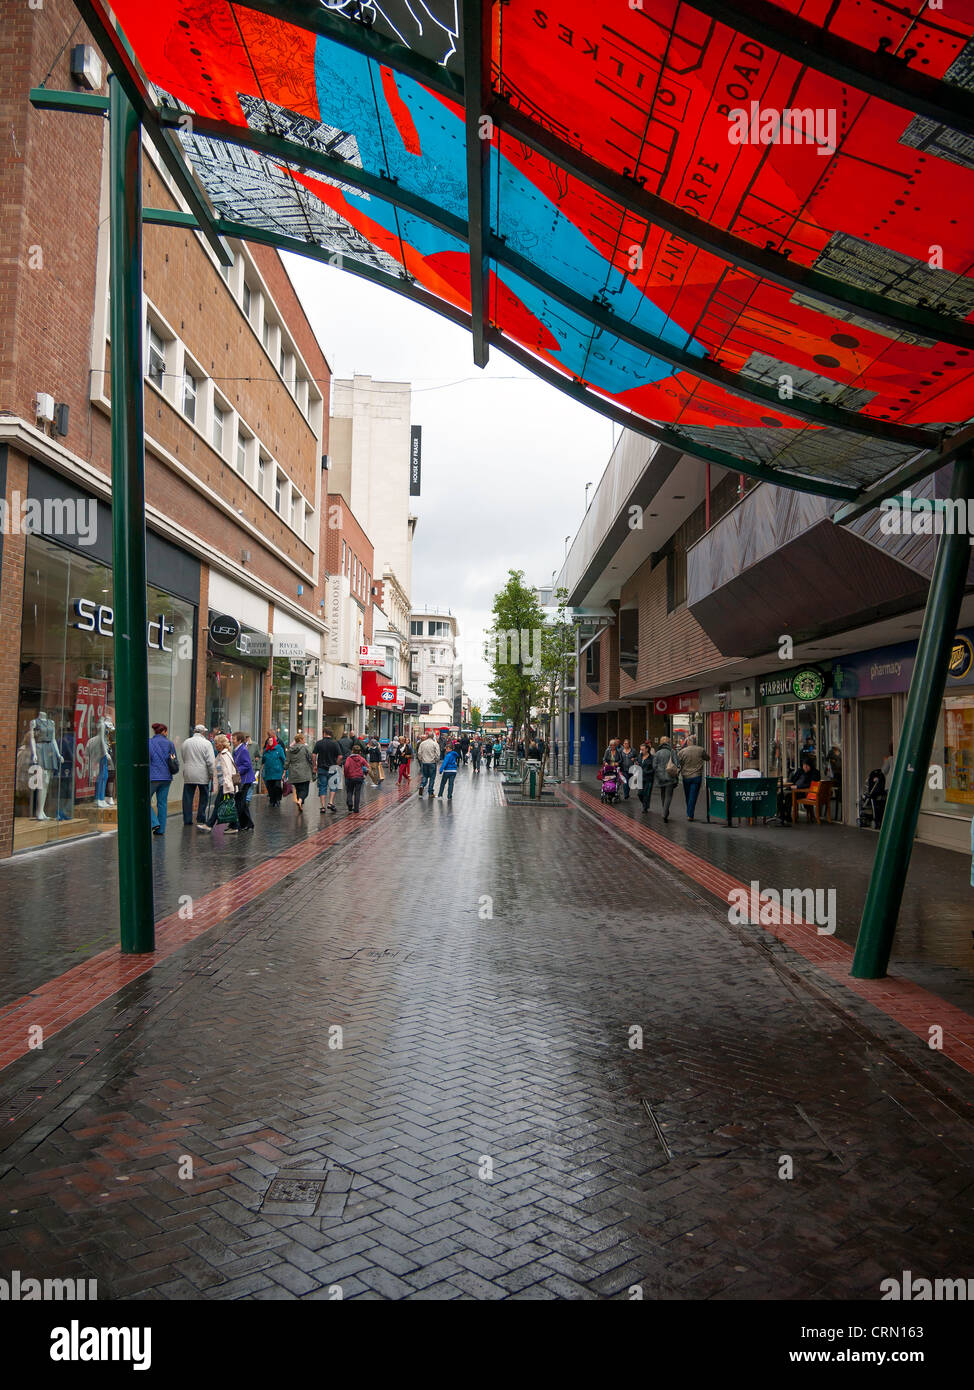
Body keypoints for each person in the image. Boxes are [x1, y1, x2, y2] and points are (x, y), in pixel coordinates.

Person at [181, 723, 215, 827]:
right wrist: (212, 774)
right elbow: (210, 761)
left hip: (188, 772)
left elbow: (183, 756)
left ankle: (187, 819)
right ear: (203, 732)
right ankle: (201, 818)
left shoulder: (186, 742)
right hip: (202, 774)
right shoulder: (207, 743)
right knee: (203, 796)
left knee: (187, 797)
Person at [148, 722, 177, 836]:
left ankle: (154, 822)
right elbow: (174, 759)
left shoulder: (149, 742)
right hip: (166, 777)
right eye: (166, 731)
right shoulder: (170, 744)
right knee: (162, 803)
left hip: (153, 777)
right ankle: (161, 830)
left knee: (145, 800)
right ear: (164, 731)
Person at [207, 734, 239, 831]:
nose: (215, 745)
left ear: (221, 744)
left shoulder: (225, 755)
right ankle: (234, 825)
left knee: (219, 804)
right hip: (223, 785)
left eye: (216, 743)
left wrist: (228, 787)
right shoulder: (220, 755)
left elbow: (227, 772)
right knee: (227, 805)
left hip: (225, 785)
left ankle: (209, 825)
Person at [677, 735, 710, 821]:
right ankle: (690, 813)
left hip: (686, 776)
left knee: (688, 795)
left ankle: (689, 813)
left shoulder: (682, 751)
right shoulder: (701, 750)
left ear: (688, 742)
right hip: (696, 776)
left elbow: (678, 762)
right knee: (693, 795)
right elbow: (707, 758)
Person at [312, 725, 343, 813]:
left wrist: (314, 765)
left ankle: (322, 806)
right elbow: (340, 756)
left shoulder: (319, 743)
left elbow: (314, 755)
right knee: (333, 786)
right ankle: (330, 802)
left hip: (321, 768)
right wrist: (336, 765)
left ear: (324, 733)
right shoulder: (335, 743)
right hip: (332, 768)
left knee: (322, 786)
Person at [231, 731, 256, 832]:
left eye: (233, 739)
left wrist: (236, 771)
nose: (232, 741)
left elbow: (247, 765)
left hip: (245, 780)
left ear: (239, 740)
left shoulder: (243, 750)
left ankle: (235, 824)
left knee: (240, 802)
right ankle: (248, 824)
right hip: (242, 779)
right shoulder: (237, 749)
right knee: (242, 803)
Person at [652, 736, 679, 823]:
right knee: (669, 796)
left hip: (660, 778)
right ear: (668, 742)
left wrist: (658, 772)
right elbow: (677, 764)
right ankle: (665, 813)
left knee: (663, 795)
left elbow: (654, 766)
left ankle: (665, 811)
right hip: (670, 777)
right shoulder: (672, 752)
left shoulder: (657, 753)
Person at [285, 732, 314, 813]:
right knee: (305, 790)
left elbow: (287, 762)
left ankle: (300, 802)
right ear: (300, 740)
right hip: (304, 771)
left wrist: (284, 771)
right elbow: (310, 758)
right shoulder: (305, 748)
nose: (304, 740)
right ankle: (300, 800)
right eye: (303, 739)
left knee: (298, 789)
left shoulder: (290, 750)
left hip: (294, 772)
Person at [261, 732, 286, 807]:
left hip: (277, 772)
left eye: (271, 741)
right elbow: (263, 760)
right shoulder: (266, 750)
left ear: (274, 741)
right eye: (269, 741)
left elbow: (284, 760)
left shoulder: (279, 749)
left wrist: (285, 771)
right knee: (270, 787)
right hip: (269, 772)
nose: (270, 742)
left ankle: (278, 799)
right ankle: (272, 800)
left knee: (277, 786)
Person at [342, 742, 369, 813]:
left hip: (350, 777)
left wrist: (346, 775)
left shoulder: (348, 758)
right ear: (360, 752)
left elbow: (346, 767)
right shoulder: (361, 759)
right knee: (357, 793)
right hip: (359, 777)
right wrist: (365, 774)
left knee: (349, 791)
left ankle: (350, 803)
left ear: (352, 751)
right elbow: (367, 767)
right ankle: (356, 808)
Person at [416, 732, 440, 797]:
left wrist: (421, 759)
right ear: (432, 737)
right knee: (432, 778)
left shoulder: (422, 743)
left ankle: (422, 785)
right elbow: (438, 754)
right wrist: (436, 760)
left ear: (427, 736)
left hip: (424, 762)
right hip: (432, 762)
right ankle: (430, 792)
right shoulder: (435, 744)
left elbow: (419, 753)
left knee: (424, 776)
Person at [636, 741, 655, 814]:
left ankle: (645, 807)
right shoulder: (639, 756)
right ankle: (645, 804)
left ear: (647, 749)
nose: (641, 751)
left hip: (649, 779)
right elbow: (638, 764)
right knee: (640, 794)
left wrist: (646, 772)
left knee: (646, 794)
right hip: (640, 778)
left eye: (643, 749)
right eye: (641, 749)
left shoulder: (652, 758)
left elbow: (654, 769)